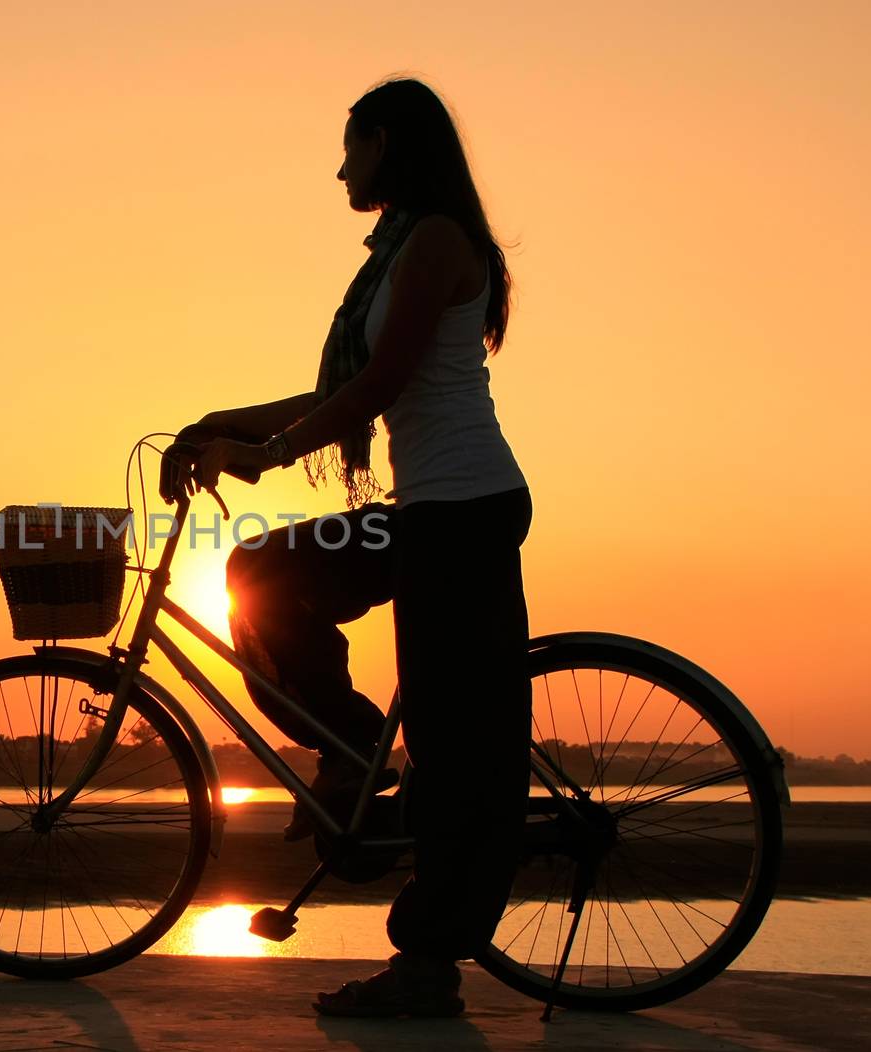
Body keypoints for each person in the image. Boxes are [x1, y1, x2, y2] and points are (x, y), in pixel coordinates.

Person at [173, 76, 533, 1018]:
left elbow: (378, 386)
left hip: (461, 516)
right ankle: (349, 746)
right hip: (422, 515)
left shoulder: (439, 244)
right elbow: (331, 389)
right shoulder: (395, 252)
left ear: (385, 143)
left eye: (350, 147)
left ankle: (425, 972)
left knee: (455, 755)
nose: (339, 168)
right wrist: (221, 423)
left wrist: (266, 456)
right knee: (259, 573)